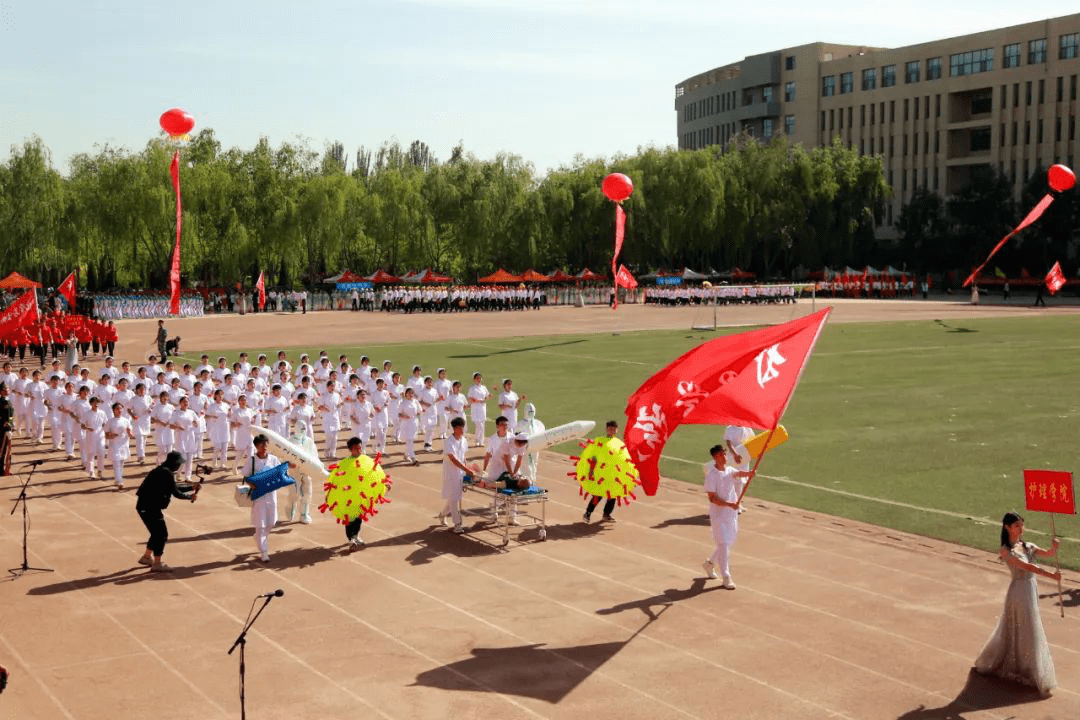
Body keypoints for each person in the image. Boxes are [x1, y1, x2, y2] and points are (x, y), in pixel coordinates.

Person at [973, 512, 1060, 697]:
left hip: (1030, 589)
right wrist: (1052, 576)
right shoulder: (1006, 550)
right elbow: (1027, 567)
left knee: (1030, 627)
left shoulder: (1027, 545)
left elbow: (1048, 554)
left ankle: (1028, 668)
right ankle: (1026, 669)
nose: (1021, 529)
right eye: (1017, 526)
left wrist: (1054, 547)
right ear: (1007, 527)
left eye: (1022, 525)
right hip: (1019, 592)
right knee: (1025, 628)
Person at [134, 451, 199, 572]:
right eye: (179, 464)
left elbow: (172, 487)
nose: (180, 466)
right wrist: (190, 496)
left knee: (156, 532)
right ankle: (157, 563)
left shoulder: (162, 470)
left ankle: (147, 557)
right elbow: (176, 493)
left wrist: (191, 487)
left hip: (145, 505)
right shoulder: (166, 473)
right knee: (161, 534)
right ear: (174, 463)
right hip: (149, 507)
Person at [702, 444, 753, 589]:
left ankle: (709, 564)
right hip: (718, 515)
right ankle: (726, 575)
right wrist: (730, 504)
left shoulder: (730, 470)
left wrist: (750, 473)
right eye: (722, 454)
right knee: (724, 543)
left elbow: (738, 474)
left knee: (726, 543)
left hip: (730, 514)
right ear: (715, 457)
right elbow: (712, 498)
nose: (725, 456)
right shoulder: (711, 476)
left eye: (725, 453)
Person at [244, 434, 284, 562]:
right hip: (258, 495)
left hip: (271, 494)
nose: (265, 447)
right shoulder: (252, 460)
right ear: (256, 446)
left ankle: (258, 537)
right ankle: (264, 551)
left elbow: (280, 473)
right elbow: (246, 476)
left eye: (266, 444)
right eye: (262, 445)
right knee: (260, 523)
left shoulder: (273, 459)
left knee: (271, 522)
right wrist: (253, 485)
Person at [439, 417, 471, 533]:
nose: (463, 430)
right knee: (454, 499)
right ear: (455, 429)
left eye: (463, 427)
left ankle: (442, 514)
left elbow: (463, 456)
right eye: (460, 428)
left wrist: (466, 468)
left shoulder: (464, 440)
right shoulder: (449, 442)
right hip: (451, 473)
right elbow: (453, 459)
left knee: (455, 497)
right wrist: (466, 469)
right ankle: (457, 524)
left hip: (461, 473)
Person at [584, 421, 621, 523]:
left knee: (612, 495)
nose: (611, 431)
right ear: (606, 430)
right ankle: (588, 513)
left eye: (613, 429)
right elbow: (594, 458)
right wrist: (591, 471)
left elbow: (622, 460)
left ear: (617, 430)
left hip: (613, 474)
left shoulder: (618, 443)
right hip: (601, 474)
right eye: (610, 429)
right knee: (598, 495)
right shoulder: (600, 441)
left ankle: (606, 514)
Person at [342, 437, 367, 548]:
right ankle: (351, 538)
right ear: (351, 449)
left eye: (360, 448)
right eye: (356, 448)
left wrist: (384, 484)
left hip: (361, 495)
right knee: (350, 518)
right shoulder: (346, 462)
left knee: (358, 518)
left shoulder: (365, 461)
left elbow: (373, 474)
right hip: (349, 495)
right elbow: (338, 479)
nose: (359, 450)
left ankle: (355, 535)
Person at [104, 402, 134, 488]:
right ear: (113, 410)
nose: (119, 410)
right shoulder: (110, 421)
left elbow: (130, 433)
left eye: (120, 408)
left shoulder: (126, 420)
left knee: (121, 463)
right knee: (117, 462)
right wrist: (111, 435)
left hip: (124, 445)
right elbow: (106, 435)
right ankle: (119, 480)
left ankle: (118, 479)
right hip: (114, 445)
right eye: (117, 409)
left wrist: (129, 433)